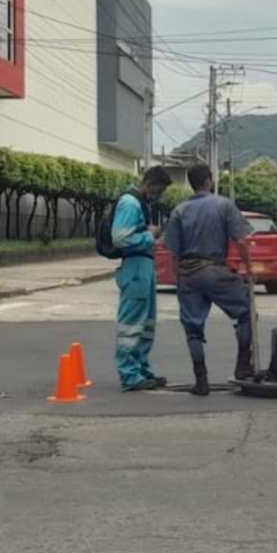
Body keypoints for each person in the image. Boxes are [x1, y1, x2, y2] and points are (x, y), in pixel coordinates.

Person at [163, 163, 253, 396]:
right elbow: (242, 241)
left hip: (189, 273)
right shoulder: (224, 205)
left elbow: (173, 253)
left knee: (193, 328)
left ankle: (201, 381)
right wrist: (248, 271)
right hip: (216, 270)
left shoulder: (179, 211)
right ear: (208, 182)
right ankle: (243, 367)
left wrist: (180, 279)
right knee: (245, 314)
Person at [111, 166, 172, 392]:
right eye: (160, 190)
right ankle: (129, 375)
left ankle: (141, 370)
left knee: (145, 324)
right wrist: (150, 235)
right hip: (136, 265)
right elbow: (120, 238)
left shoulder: (140, 204)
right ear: (151, 184)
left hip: (144, 265)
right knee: (131, 324)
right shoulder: (130, 203)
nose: (160, 195)